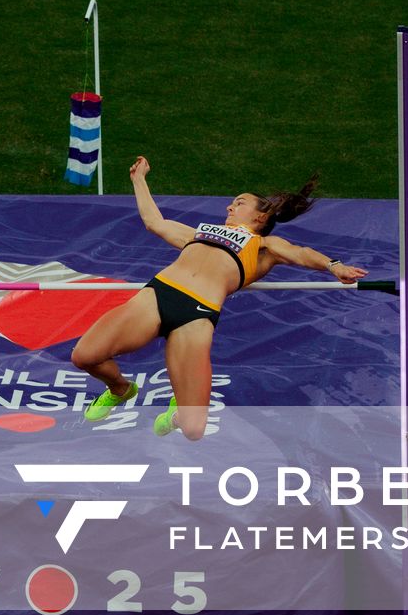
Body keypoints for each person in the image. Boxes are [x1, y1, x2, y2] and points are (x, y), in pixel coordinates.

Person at [69, 156, 367, 440]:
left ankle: (177, 413)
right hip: (157, 295)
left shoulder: (264, 245)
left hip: (196, 316)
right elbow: (154, 222)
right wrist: (138, 180)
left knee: (193, 430)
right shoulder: (201, 233)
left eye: (239, 203)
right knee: (84, 356)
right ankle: (121, 389)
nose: (229, 206)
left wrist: (333, 265)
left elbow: (301, 254)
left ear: (260, 216)